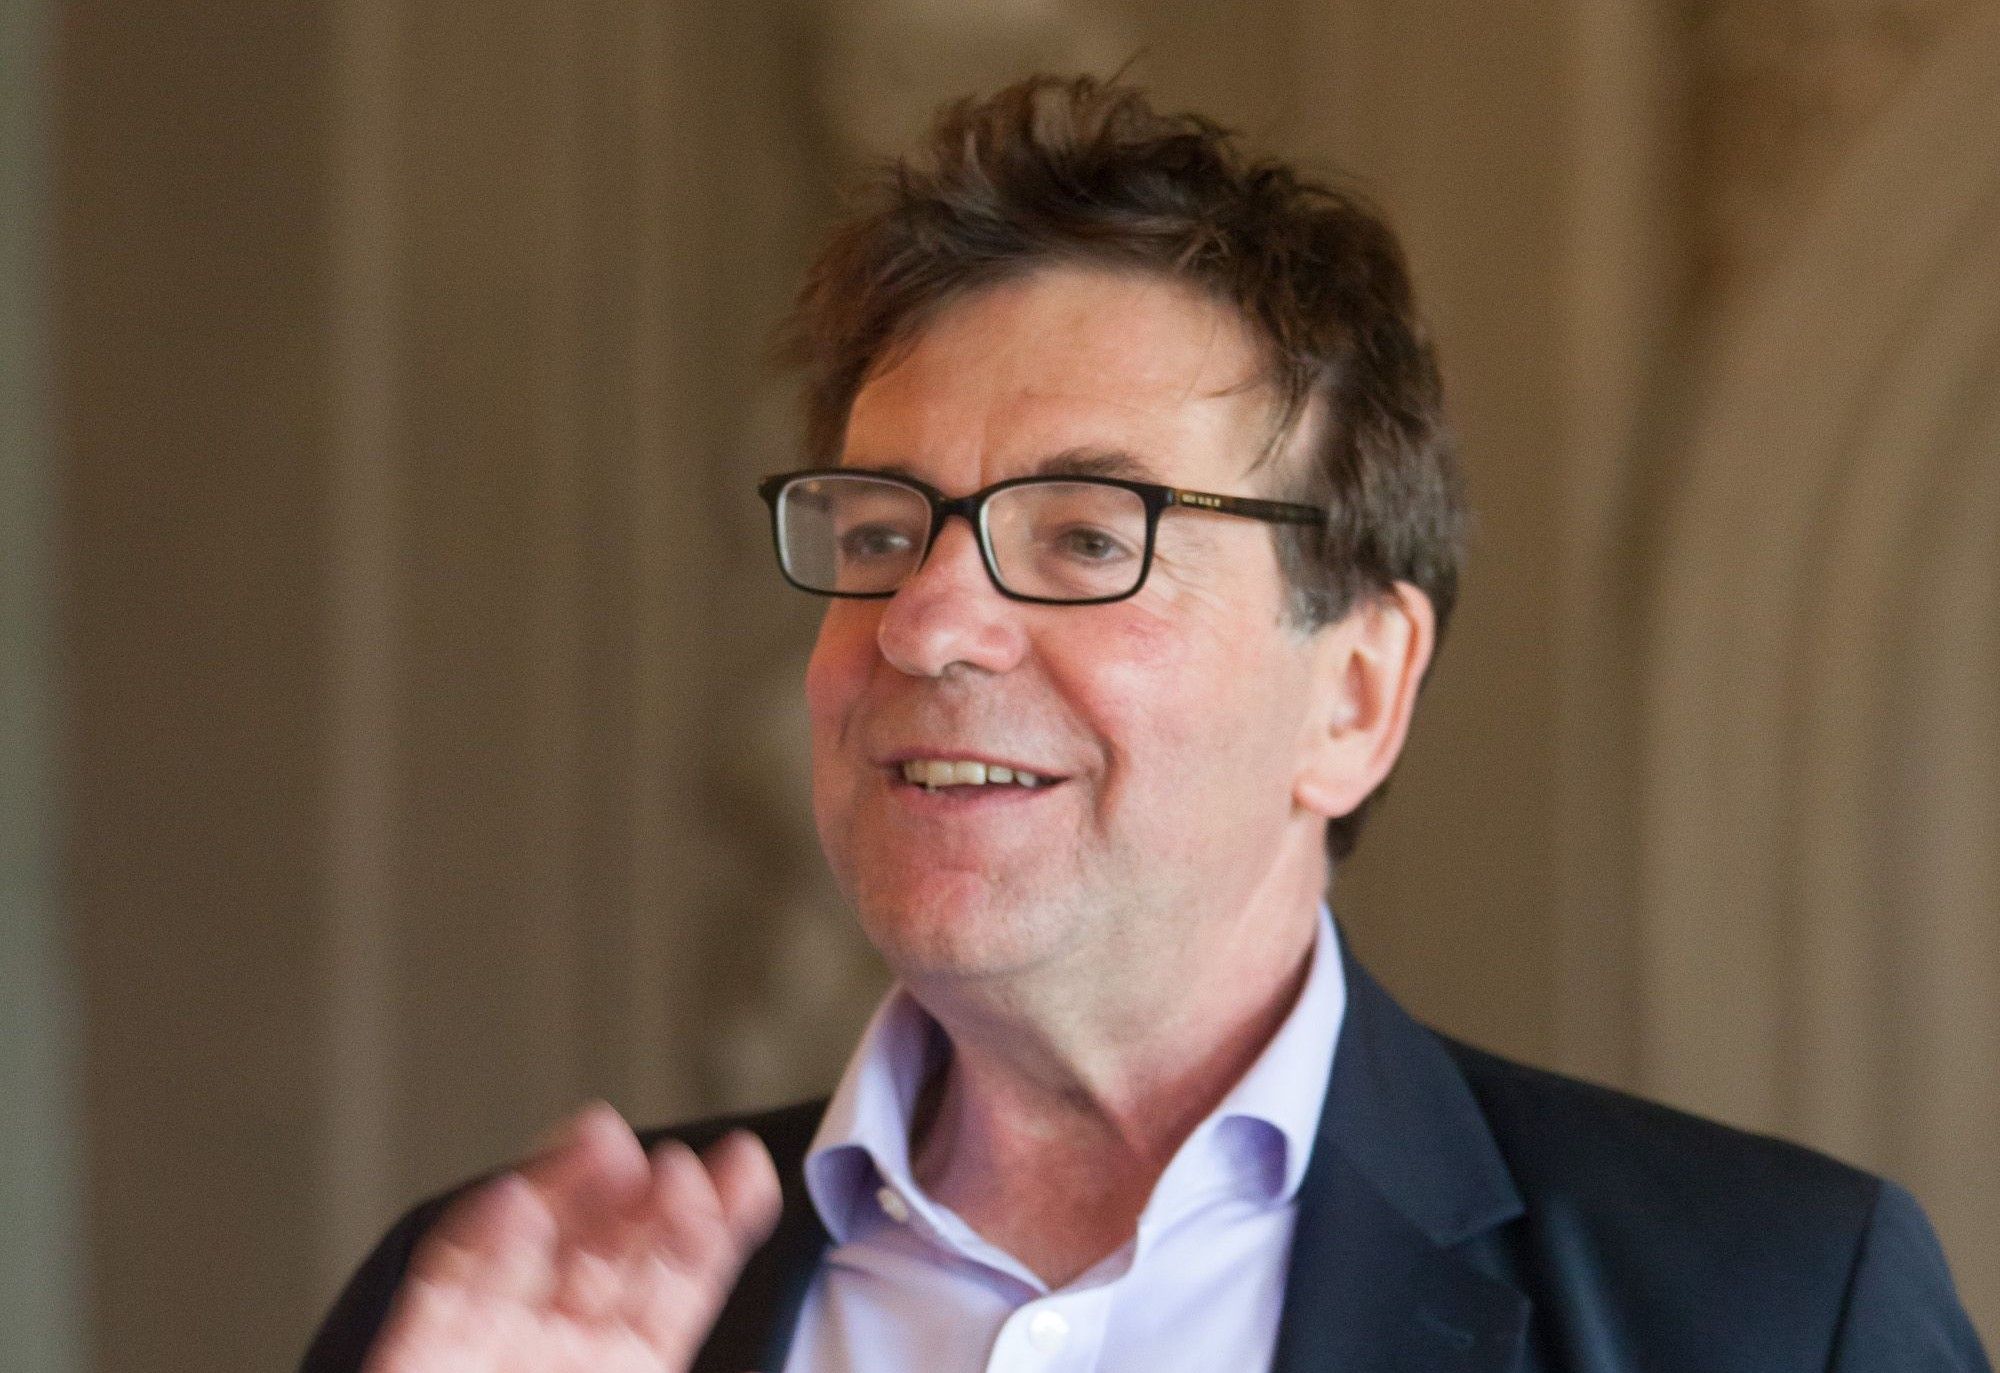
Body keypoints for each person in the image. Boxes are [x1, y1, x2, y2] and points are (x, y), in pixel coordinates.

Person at [302, 75, 1991, 1373]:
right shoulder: (507, 1306)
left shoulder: (1773, 1310)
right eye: (882, 530)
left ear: (1356, 692)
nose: (928, 622)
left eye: (1086, 538)